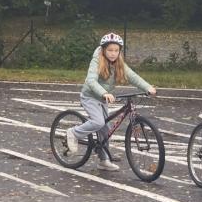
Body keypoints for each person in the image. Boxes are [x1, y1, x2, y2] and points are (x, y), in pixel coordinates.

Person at [65, 33, 157, 169]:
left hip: (103, 98)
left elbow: (132, 76)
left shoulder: (119, 63)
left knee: (105, 130)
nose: (113, 53)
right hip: (90, 97)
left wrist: (147, 87)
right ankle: (73, 133)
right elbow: (91, 81)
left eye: (116, 50)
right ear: (103, 50)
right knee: (98, 122)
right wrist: (104, 93)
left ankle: (104, 161)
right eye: (110, 50)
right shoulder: (97, 60)